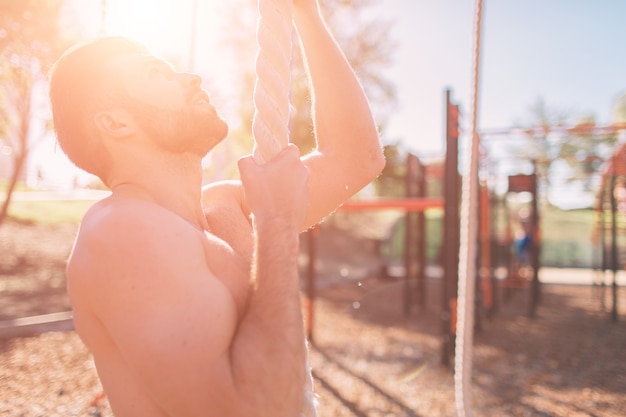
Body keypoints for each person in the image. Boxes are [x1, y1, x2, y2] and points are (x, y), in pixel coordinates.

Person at [48, 1, 384, 416]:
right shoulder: (119, 231)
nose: (191, 78)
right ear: (116, 123)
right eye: (158, 74)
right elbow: (250, 409)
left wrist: (307, 16)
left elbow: (355, 159)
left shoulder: (225, 205)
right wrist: (276, 222)